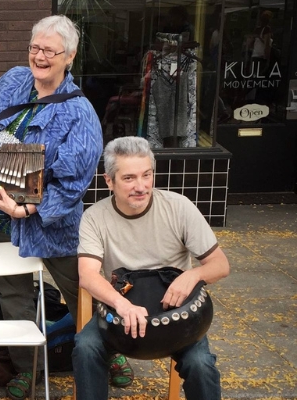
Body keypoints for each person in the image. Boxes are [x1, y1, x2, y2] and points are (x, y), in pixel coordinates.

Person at [0, 15, 110, 398]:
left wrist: (30, 210)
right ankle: (28, 373)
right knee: (14, 296)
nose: (39, 56)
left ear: (69, 56)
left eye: (49, 50)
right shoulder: (14, 80)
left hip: (52, 224)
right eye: (34, 47)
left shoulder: (79, 113)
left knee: (81, 291)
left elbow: (75, 182)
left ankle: (109, 354)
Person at [73, 136, 230, 400]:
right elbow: (87, 275)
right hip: (121, 315)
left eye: (147, 175)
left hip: (178, 318)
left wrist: (193, 275)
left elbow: (220, 265)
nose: (141, 186)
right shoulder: (94, 217)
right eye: (129, 178)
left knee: (201, 365)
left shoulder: (179, 207)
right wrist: (121, 304)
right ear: (109, 180)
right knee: (86, 346)